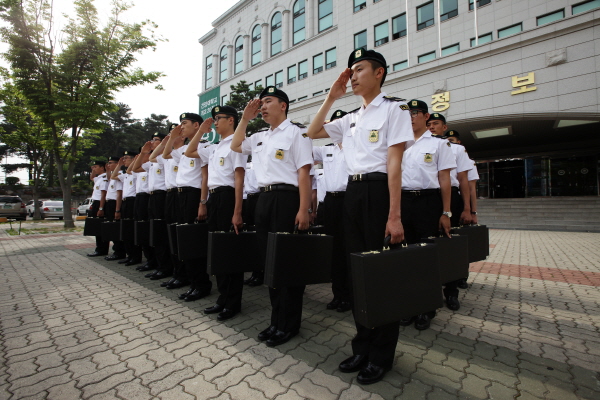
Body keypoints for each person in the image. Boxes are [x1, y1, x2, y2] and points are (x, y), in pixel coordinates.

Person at [306, 49, 412, 385]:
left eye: (359, 69)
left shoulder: (394, 110)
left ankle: (382, 354)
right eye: (351, 71)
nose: (352, 76)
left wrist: (394, 216)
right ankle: (362, 345)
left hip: (379, 193)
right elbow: (312, 131)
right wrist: (331, 96)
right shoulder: (350, 117)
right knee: (357, 275)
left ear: (379, 73)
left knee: (380, 275)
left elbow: (394, 164)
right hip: (352, 194)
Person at [231, 86, 313, 348]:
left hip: (287, 199)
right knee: (270, 264)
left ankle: (290, 323)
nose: (263, 107)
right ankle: (277, 320)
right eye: (261, 104)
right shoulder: (258, 136)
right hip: (264, 200)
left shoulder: (297, 132)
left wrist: (304, 209)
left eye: (268, 102)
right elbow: (235, 145)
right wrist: (244, 119)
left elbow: (304, 172)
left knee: (287, 263)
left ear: (283, 105)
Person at [399, 99, 456, 329]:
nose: (410, 117)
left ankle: (426, 308)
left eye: (415, 113)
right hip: (403, 202)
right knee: (404, 256)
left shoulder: (439, 144)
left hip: (428, 202)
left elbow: (445, 179)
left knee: (425, 257)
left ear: (425, 116)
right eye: (407, 114)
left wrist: (446, 212)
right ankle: (409, 306)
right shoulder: (397, 143)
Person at [190, 105, 246, 321]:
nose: (214, 122)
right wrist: (200, 132)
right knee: (217, 251)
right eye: (213, 119)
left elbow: (239, 179)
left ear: (231, 120)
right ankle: (223, 298)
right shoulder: (214, 147)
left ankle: (233, 302)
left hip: (228, 197)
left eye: (218, 118)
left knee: (229, 251)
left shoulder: (236, 144)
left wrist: (237, 211)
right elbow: (189, 151)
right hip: (214, 198)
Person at [163, 113, 211, 301]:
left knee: (193, 242)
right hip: (180, 195)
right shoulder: (183, 149)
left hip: (193, 196)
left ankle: (201, 284)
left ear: (196, 125)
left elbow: (205, 177)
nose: (181, 126)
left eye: (184, 123)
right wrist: (173, 137)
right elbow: (165, 154)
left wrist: (202, 202)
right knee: (183, 240)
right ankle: (192, 282)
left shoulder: (204, 146)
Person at [427, 116, 472, 310]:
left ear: (444, 127)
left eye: (436, 124)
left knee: (449, 246)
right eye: (429, 124)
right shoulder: (420, 145)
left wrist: (468, 208)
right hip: (430, 196)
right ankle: (429, 292)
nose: (432, 127)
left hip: (451, 197)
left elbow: (463, 180)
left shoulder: (456, 149)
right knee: (429, 245)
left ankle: (451, 292)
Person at [312, 109, 351, 312]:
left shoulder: (354, 145)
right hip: (330, 202)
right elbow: (306, 137)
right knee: (334, 250)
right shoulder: (325, 149)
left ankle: (349, 296)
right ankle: (338, 294)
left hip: (349, 199)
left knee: (347, 248)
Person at [114, 150, 142, 266]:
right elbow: (113, 176)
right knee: (126, 230)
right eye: (123, 158)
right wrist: (119, 164)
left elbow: (132, 169)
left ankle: (135, 256)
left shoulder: (135, 172)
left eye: (126, 158)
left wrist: (135, 160)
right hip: (125, 202)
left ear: (133, 159)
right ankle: (129, 255)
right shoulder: (125, 175)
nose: (124, 160)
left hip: (133, 201)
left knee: (132, 229)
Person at [242, 152, 263, 287]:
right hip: (248, 199)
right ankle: (255, 273)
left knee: (259, 235)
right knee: (250, 235)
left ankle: (260, 273)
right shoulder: (247, 165)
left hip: (260, 197)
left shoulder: (262, 164)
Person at [104, 156, 127, 260]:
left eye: (111, 163)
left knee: (116, 229)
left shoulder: (120, 175)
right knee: (112, 229)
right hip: (110, 203)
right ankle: (116, 251)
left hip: (115, 204)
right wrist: (109, 171)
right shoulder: (113, 176)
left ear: (118, 163)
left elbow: (119, 194)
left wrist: (117, 210)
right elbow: (109, 178)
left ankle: (119, 252)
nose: (108, 165)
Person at [87, 160, 109, 257]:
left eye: (95, 167)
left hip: (100, 204)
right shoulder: (99, 178)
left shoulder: (104, 178)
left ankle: (101, 249)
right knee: (96, 228)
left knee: (100, 228)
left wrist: (101, 208)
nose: (94, 168)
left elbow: (103, 195)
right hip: (95, 203)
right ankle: (99, 248)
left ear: (102, 167)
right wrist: (92, 170)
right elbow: (91, 177)